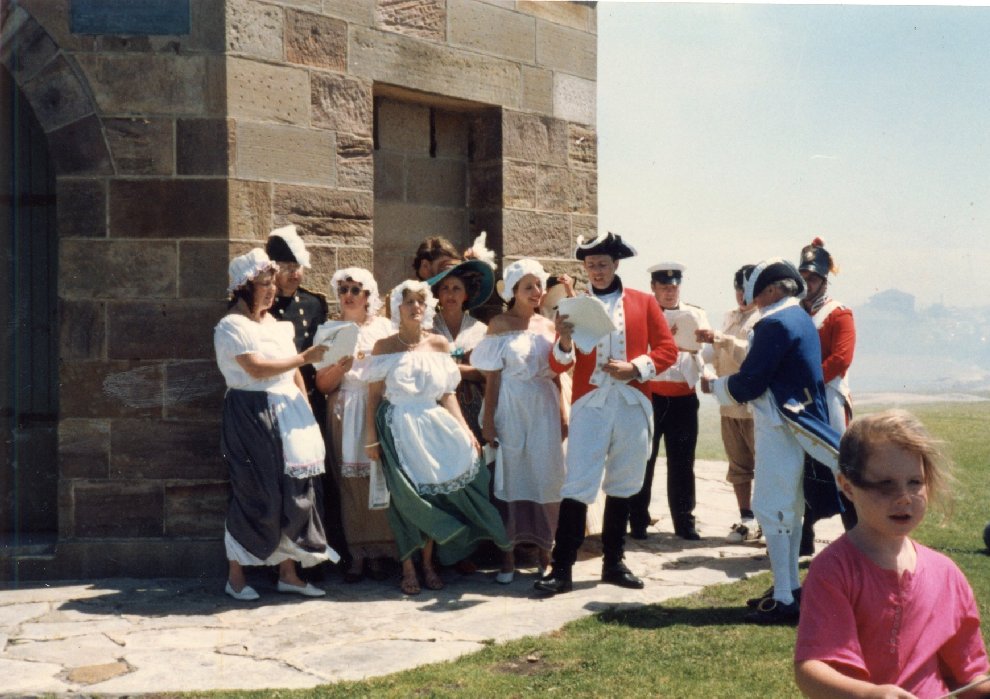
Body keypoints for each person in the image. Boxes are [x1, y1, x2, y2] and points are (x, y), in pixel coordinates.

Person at [795, 410, 989, 698]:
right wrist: (868, 694)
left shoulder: (947, 574)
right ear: (847, 486)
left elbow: (970, 677)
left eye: (915, 482)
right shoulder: (834, 570)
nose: (903, 498)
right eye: (885, 485)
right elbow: (811, 670)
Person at [535, 231, 678, 595]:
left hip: (632, 403)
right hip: (591, 404)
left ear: (615, 265)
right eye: (590, 265)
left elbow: (667, 351)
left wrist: (635, 368)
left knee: (624, 482)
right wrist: (565, 340)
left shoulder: (644, 302)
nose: (596, 271)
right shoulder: (575, 306)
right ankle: (561, 568)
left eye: (602, 264)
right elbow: (558, 361)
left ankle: (614, 562)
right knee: (579, 482)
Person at [701, 258, 840, 623]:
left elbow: (750, 382)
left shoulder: (775, 322)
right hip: (796, 424)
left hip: (780, 425)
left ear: (774, 290)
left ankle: (784, 597)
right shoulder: (797, 316)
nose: (754, 301)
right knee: (789, 511)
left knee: (772, 508)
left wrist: (714, 386)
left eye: (759, 293)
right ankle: (789, 588)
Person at [363, 280, 511, 595]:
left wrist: (464, 428)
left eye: (420, 301)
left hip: (433, 424)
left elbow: (447, 394)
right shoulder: (384, 348)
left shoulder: (439, 345)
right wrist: (371, 438)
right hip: (396, 428)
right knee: (406, 499)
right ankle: (407, 567)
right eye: (408, 303)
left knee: (436, 494)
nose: (416, 307)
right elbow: (373, 397)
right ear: (397, 309)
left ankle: (429, 563)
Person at [214, 248, 338, 601]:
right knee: (255, 490)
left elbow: (295, 371)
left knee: (292, 490)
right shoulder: (231, 326)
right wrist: (303, 357)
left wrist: (307, 412)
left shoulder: (274, 324)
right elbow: (255, 368)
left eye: (272, 283)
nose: (270, 290)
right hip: (251, 412)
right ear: (243, 287)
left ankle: (289, 572)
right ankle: (236, 576)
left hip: (288, 411)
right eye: (263, 284)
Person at [472, 259, 566, 584]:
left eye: (539, 286)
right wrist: (489, 421)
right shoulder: (500, 324)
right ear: (513, 292)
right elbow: (493, 377)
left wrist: (563, 413)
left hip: (543, 407)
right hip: (511, 406)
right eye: (528, 287)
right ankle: (508, 557)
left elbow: (556, 374)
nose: (536, 292)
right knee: (510, 476)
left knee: (544, 473)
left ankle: (545, 552)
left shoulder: (548, 325)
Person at [265, 224, 348, 565]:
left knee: (316, 478)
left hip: (310, 400)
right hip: (277, 400)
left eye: (297, 267)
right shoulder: (262, 306)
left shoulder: (313, 304)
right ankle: (282, 559)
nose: (294, 274)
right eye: (286, 268)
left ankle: (315, 555)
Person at [315, 268, 396, 583]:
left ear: (368, 296)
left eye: (355, 289)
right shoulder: (330, 330)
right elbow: (322, 384)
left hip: (375, 406)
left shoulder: (384, 329)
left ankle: (381, 552)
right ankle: (358, 554)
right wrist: (340, 366)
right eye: (343, 289)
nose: (348, 295)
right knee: (350, 483)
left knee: (379, 478)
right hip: (345, 407)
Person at [629, 263, 710, 541]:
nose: (669, 291)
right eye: (663, 287)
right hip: (651, 395)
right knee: (644, 460)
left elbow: (706, 352)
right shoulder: (642, 313)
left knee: (682, 463)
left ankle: (684, 521)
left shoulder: (696, 313)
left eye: (674, 286)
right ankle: (637, 520)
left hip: (683, 398)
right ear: (653, 287)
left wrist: (701, 344)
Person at [798, 237, 858, 555]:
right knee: (800, 468)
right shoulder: (796, 312)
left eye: (813, 278)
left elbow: (840, 359)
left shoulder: (839, 314)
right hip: (800, 399)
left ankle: (859, 538)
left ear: (823, 279)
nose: (807, 283)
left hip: (828, 397)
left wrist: (808, 381)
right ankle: (802, 538)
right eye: (803, 277)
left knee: (840, 464)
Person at [698, 264, 761, 543]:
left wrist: (721, 339)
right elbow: (715, 355)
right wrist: (706, 370)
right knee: (738, 465)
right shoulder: (729, 317)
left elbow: (752, 356)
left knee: (764, 465)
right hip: (728, 404)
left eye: (748, 290)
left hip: (754, 406)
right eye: (739, 290)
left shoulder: (763, 318)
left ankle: (764, 519)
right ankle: (746, 517)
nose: (742, 296)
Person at [427, 257, 496, 441]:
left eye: (456, 288)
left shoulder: (480, 329)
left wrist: (449, 367)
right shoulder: (428, 327)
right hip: (436, 401)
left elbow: (487, 374)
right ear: (438, 294)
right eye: (445, 288)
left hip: (473, 403)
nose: (451, 294)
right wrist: (467, 367)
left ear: (465, 295)